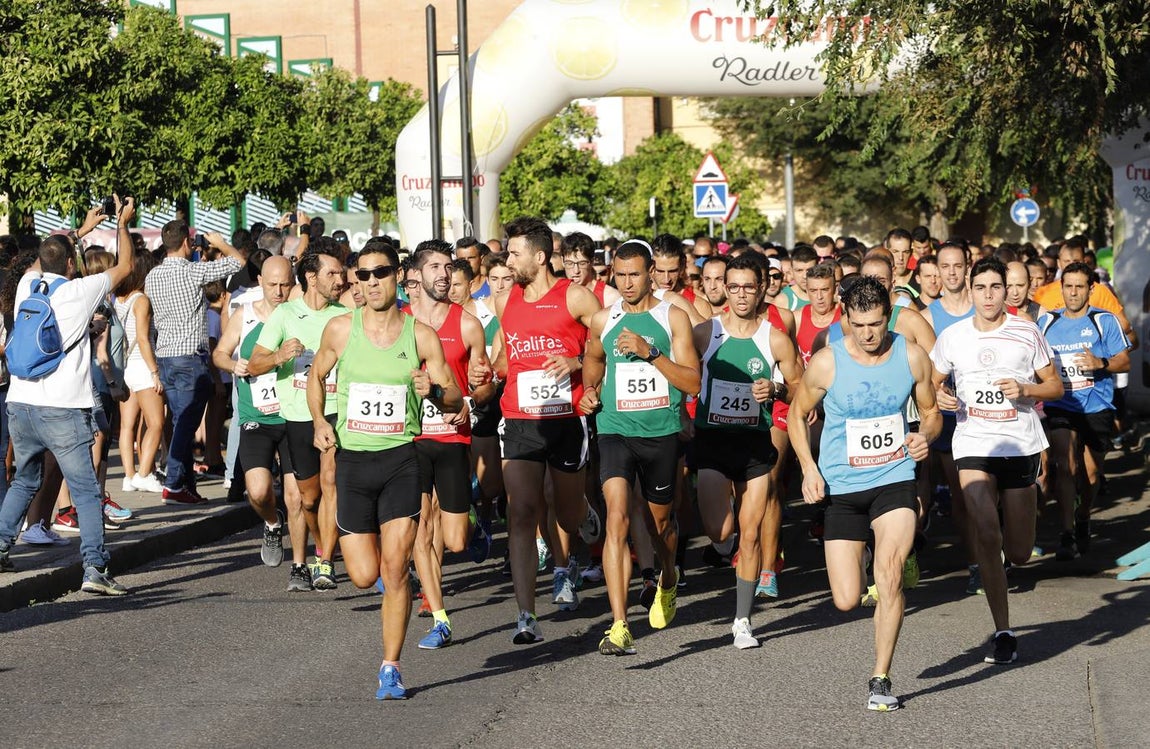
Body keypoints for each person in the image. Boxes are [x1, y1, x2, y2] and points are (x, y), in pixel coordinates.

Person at [310, 243, 461, 699]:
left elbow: (454, 398)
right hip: (354, 463)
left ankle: (390, 667)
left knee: (395, 570)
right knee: (362, 574)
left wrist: (434, 390)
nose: (371, 282)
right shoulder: (341, 329)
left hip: (401, 461)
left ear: (397, 276)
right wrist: (319, 422)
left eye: (380, 273)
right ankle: (386, 577)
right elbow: (316, 376)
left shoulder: (421, 336)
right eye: (363, 275)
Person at [788, 275, 940, 711]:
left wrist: (924, 436)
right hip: (843, 487)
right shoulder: (827, 363)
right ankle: (877, 553)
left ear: (888, 317)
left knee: (888, 576)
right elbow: (797, 415)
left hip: (895, 477)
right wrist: (808, 468)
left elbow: (931, 412)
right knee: (846, 599)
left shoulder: (911, 356)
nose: (868, 334)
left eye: (875, 324)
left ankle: (881, 678)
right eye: (858, 325)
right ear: (846, 319)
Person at [931, 258, 1063, 665]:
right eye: (981, 287)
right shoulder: (952, 337)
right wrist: (940, 396)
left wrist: (1026, 389)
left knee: (1019, 552)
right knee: (988, 534)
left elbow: (1055, 386)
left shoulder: (1027, 332)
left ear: (1006, 291)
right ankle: (1003, 631)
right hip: (973, 443)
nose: (988, 296)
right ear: (969, 290)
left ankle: (1019, 524)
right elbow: (932, 383)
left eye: (995, 287)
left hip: (1019, 445)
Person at [0, 197, 136, 593]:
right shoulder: (80, 290)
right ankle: (95, 569)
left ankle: (1, 545)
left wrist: (79, 231)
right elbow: (125, 267)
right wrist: (121, 224)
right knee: (86, 490)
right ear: (72, 264)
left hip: (21, 403)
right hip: (63, 407)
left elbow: (48, 254)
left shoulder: (27, 284)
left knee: (25, 480)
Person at [577, 240, 701, 655]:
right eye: (620, 275)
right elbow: (593, 361)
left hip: (661, 432)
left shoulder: (672, 317)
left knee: (659, 526)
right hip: (615, 430)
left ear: (651, 274)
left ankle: (669, 575)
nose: (627, 283)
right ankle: (619, 624)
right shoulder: (604, 319)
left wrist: (651, 353)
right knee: (616, 516)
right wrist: (590, 391)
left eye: (634, 274)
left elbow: (692, 383)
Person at [487, 216, 602, 644]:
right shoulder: (504, 301)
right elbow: (507, 357)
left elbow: (606, 344)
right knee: (521, 511)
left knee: (566, 514)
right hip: (520, 417)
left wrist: (577, 363)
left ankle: (584, 514)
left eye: (514, 254)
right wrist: (489, 370)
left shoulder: (575, 296)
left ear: (539, 257)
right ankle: (525, 615)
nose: (507, 261)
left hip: (566, 419)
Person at [692, 254, 803, 649]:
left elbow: (800, 389)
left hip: (754, 444)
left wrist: (775, 389)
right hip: (712, 441)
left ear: (762, 289)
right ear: (724, 289)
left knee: (750, 533)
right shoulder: (705, 333)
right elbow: (682, 374)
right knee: (721, 531)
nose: (740, 295)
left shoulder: (775, 338)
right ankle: (724, 542)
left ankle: (742, 621)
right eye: (733, 287)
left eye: (748, 287)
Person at [405, 241, 495, 650]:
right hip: (410, 438)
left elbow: (485, 385)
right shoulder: (400, 323)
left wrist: (471, 402)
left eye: (447, 268)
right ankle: (439, 617)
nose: (443, 274)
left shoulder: (468, 324)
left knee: (455, 539)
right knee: (422, 526)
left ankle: (472, 521)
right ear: (417, 275)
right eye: (435, 267)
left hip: (453, 436)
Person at [249, 248, 348, 590]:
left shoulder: (345, 316)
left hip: (334, 410)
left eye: (341, 273)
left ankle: (324, 561)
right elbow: (254, 364)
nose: (340, 280)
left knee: (331, 481)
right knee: (308, 499)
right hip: (297, 415)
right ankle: (322, 546)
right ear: (311, 278)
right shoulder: (285, 314)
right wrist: (278, 356)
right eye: (332, 274)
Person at [212, 256, 306, 582]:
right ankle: (272, 522)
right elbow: (220, 353)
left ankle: (300, 566)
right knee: (258, 491)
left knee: (296, 497)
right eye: (272, 285)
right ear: (261, 282)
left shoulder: (299, 314)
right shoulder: (245, 313)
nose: (279, 291)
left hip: (292, 415)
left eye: (285, 285)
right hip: (256, 416)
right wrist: (232, 365)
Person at [145, 221, 244, 504]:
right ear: (187, 242)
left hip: (165, 356)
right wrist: (220, 243)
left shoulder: (152, 275)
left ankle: (185, 485)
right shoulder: (192, 271)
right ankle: (174, 484)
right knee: (186, 424)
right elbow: (238, 262)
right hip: (190, 358)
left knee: (181, 422)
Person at [1037, 262, 1130, 559]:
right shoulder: (1047, 323)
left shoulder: (1104, 320)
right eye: (1068, 286)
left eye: (1079, 287)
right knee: (1065, 465)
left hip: (1096, 405)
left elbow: (1124, 361)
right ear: (1061, 288)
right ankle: (1066, 534)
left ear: (1091, 289)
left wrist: (1099, 363)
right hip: (1061, 405)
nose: (1073, 292)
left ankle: (1083, 515)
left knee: (1090, 475)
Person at [115, 251, 165, 494]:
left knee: (127, 426)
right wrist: (155, 371)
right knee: (156, 422)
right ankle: (144, 474)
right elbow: (144, 339)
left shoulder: (119, 299)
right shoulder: (142, 300)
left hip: (125, 368)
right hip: (142, 365)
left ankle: (129, 475)